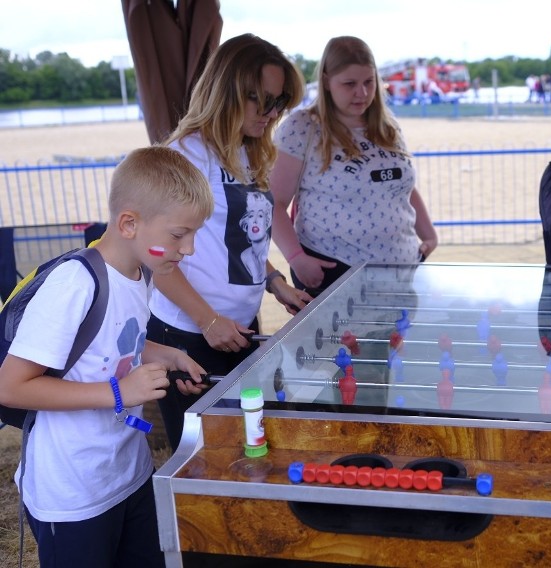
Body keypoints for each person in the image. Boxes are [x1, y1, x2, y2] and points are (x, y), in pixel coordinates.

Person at [0, 146, 213, 567]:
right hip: (73, 492)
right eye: (178, 234)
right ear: (129, 223)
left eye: (194, 234)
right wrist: (120, 391)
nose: (188, 249)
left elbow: (117, 340)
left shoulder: (141, 271)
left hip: (127, 475)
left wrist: (168, 355)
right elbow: (12, 385)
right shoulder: (74, 284)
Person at [147, 33, 312, 452]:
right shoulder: (186, 156)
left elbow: (239, 237)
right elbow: (154, 259)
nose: (272, 113)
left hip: (236, 328)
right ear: (229, 90)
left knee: (247, 448)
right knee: (205, 457)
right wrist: (207, 320)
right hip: (187, 334)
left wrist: (276, 283)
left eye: (280, 103)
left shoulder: (249, 151)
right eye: (262, 100)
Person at [270, 36, 438, 297]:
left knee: (394, 339)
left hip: (401, 271)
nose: (362, 93)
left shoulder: (387, 125)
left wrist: (429, 236)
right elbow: (274, 203)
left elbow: (401, 187)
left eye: (369, 82)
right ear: (326, 81)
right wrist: (296, 258)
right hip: (334, 272)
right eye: (349, 84)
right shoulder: (302, 127)